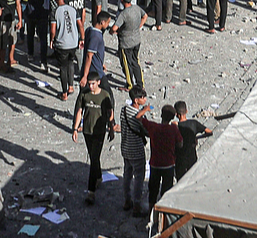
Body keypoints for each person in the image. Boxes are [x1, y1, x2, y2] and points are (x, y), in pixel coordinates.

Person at [71, 73, 115, 205]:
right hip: (87, 131)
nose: (90, 86)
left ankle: (91, 191)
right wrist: (75, 128)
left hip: (100, 131)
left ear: (99, 83)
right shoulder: (84, 95)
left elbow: (110, 113)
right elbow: (79, 111)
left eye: (93, 84)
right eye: (89, 84)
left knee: (94, 157)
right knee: (93, 156)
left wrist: (111, 128)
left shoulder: (105, 96)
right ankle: (99, 176)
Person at [118, 88, 153, 216]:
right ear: (136, 100)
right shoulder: (137, 114)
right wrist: (144, 111)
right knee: (139, 177)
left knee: (127, 175)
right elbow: (144, 129)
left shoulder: (124, 110)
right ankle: (136, 205)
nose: (145, 100)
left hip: (125, 148)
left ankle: (127, 200)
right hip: (136, 150)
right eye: (143, 97)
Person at [144, 102, 183, 208]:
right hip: (168, 164)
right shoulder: (173, 129)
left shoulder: (153, 127)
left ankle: (150, 212)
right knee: (166, 190)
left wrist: (146, 109)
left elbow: (139, 118)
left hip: (155, 164)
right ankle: (163, 213)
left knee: (153, 189)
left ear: (161, 115)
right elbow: (180, 144)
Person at [114, 0, 147, 93]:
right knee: (135, 62)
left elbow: (115, 28)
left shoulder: (123, 14)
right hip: (136, 40)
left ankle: (129, 85)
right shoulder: (136, 8)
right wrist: (139, 26)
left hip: (125, 43)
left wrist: (113, 31)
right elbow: (145, 16)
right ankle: (140, 84)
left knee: (126, 65)